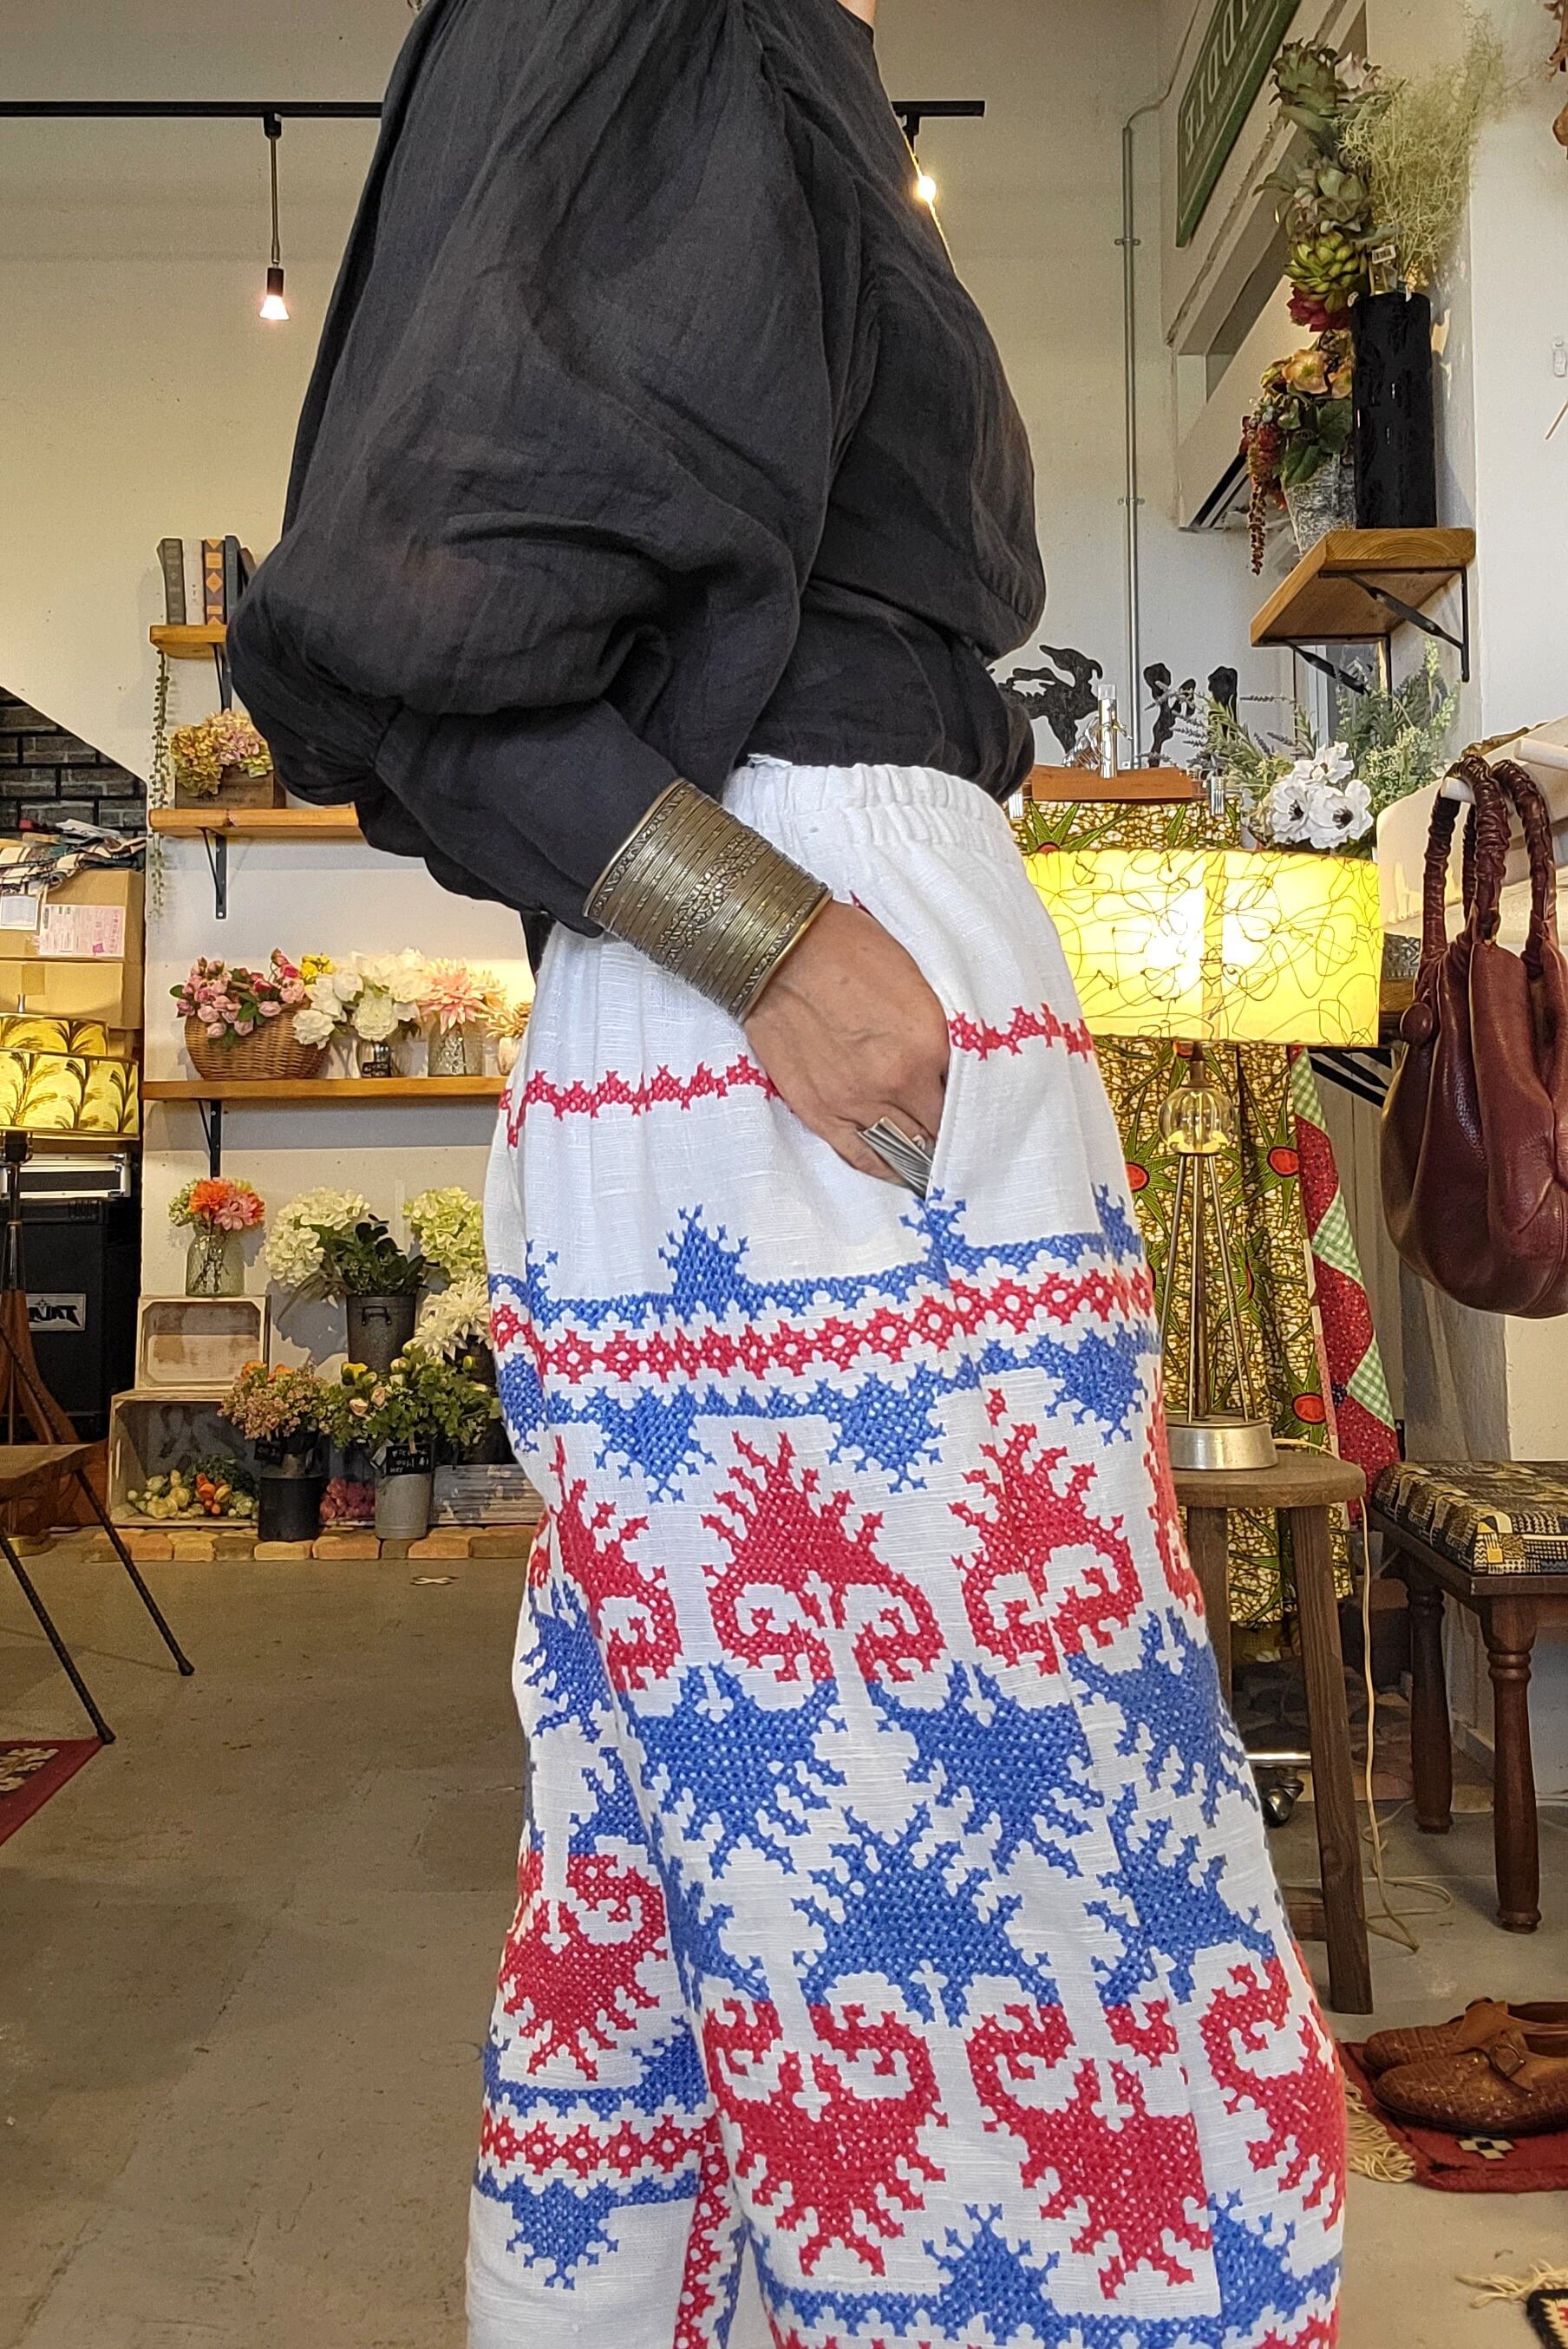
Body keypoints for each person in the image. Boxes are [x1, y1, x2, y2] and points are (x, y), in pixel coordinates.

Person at [230, 1, 1346, 2342]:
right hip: (808, 1056)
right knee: (989, 1906)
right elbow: (392, 635)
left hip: (838, 1029)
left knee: (721, 1883)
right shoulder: (676, 17)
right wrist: (769, 937)